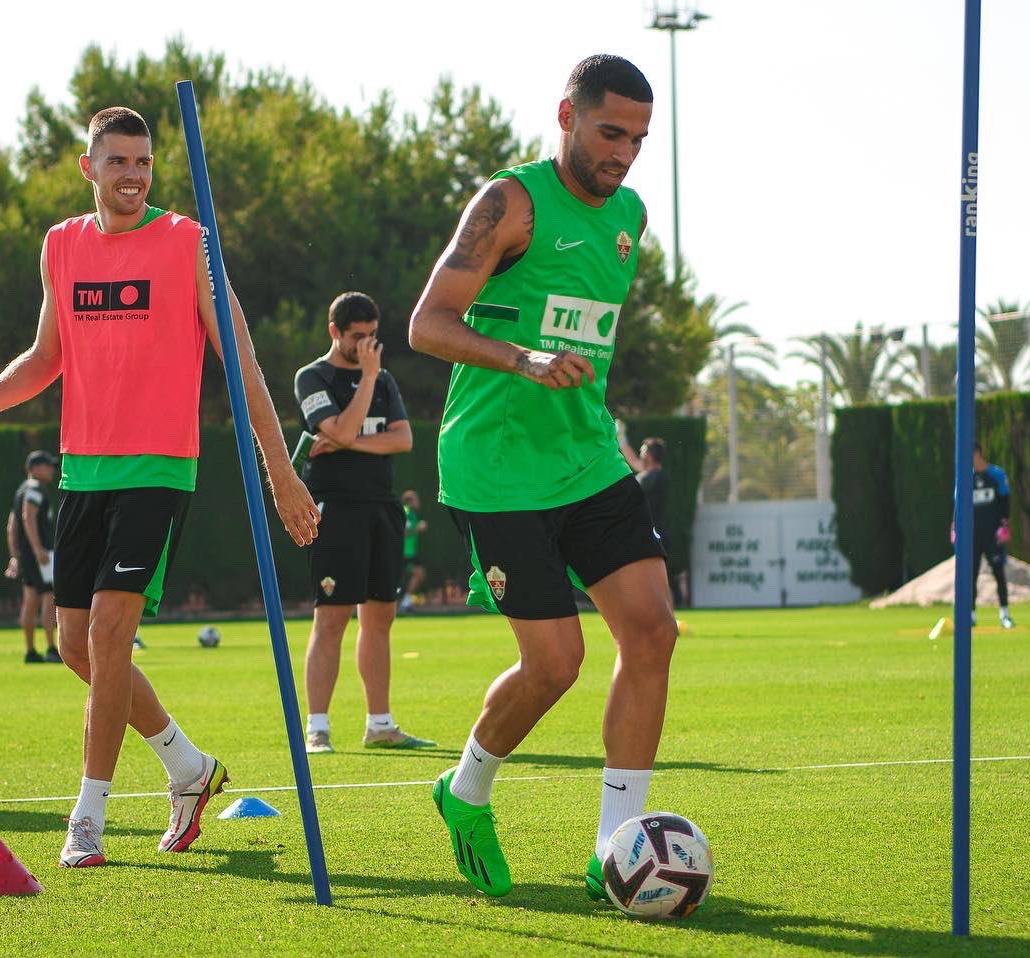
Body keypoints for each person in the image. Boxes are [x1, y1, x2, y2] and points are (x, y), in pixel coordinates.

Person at [0, 107, 319, 868]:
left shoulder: (189, 244)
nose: (134, 175)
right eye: (118, 162)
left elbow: (242, 363)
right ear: (89, 167)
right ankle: (189, 768)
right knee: (77, 646)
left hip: (158, 468)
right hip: (85, 469)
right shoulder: (61, 244)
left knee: (110, 636)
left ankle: (89, 819)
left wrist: (281, 472)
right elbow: (48, 356)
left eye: (143, 162)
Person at [408, 54, 672, 900]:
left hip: (587, 459)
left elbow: (584, 338)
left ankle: (616, 852)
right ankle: (466, 788)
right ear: (567, 115)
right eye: (609, 132)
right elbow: (427, 323)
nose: (624, 153)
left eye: (637, 138)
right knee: (556, 662)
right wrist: (521, 357)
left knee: (653, 634)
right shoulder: (508, 202)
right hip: (495, 471)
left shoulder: (628, 215)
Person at [293, 291, 434, 754]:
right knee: (331, 618)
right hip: (336, 508)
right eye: (359, 337)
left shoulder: (385, 379)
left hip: (382, 506)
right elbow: (348, 427)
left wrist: (345, 438)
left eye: (374, 335)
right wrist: (357, 409)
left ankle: (381, 724)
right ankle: (317, 728)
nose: (369, 345)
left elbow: (404, 440)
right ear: (335, 332)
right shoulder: (313, 377)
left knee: (381, 617)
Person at [616, 424, 682, 607]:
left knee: (660, 582)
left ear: (650, 456)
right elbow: (636, 465)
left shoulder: (654, 477)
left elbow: (634, 476)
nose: (640, 455)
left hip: (655, 536)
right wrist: (622, 440)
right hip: (653, 535)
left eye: (643, 452)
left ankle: (669, 620)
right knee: (655, 581)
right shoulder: (653, 475)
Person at [8, 450, 63, 663]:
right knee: (49, 597)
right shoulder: (35, 488)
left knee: (30, 599)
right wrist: (39, 548)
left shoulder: (21, 490)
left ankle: (30, 651)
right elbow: (27, 516)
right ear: (34, 469)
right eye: (47, 465)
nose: (51, 469)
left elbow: (12, 526)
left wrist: (15, 555)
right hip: (41, 553)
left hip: (26, 554)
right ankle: (51, 648)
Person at [954, 442, 1014, 629]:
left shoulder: (996, 475)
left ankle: (1004, 614)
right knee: (970, 576)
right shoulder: (964, 478)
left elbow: (1005, 501)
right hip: (972, 537)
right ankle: (970, 615)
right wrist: (955, 527)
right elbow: (957, 506)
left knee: (998, 572)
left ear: (978, 453)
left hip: (992, 535)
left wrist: (1004, 525)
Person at [399, 490, 429, 611]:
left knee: (419, 574)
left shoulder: (412, 513)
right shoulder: (406, 512)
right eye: (416, 499)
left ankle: (405, 603)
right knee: (419, 574)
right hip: (405, 553)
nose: (418, 502)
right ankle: (404, 603)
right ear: (410, 501)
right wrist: (418, 528)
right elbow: (403, 532)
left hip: (410, 553)